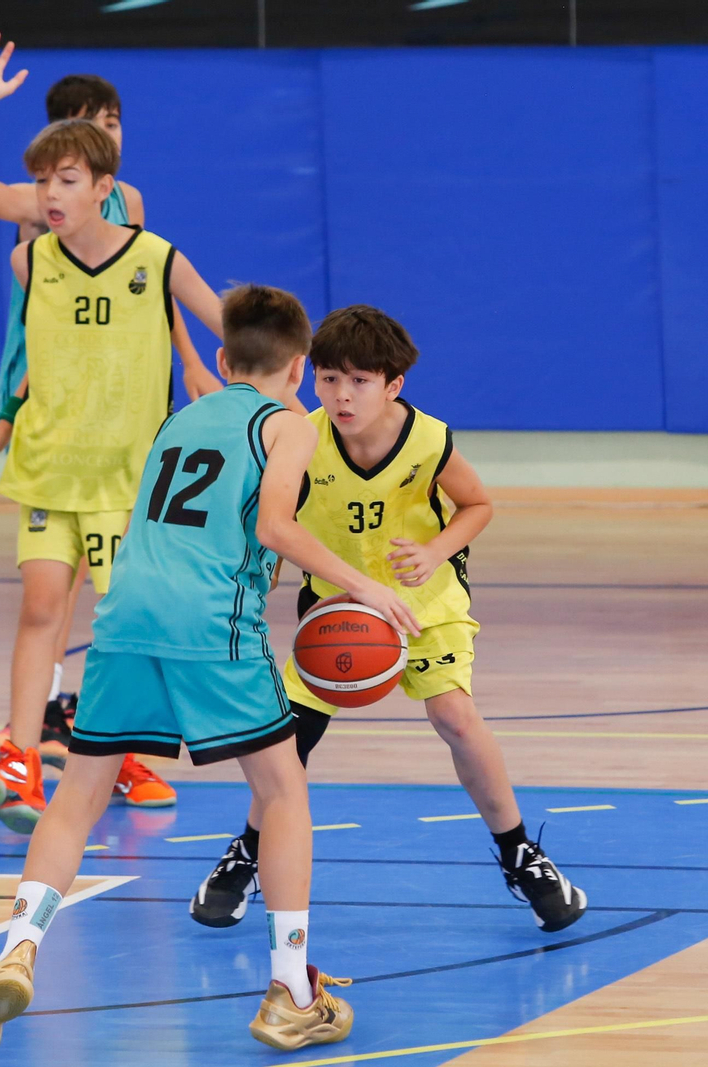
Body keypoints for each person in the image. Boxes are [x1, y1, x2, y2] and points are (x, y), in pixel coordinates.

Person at [0, 285, 421, 1059]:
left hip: (124, 617)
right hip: (210, 620)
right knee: (282, 790)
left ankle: (16, 951)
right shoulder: (288, 425)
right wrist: (365, 586)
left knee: (78, 796)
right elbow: (274, 527)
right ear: (300, 368)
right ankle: (292, 991)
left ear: (223, 360)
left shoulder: (180, 418)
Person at [187, 305, 589, 933]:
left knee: (454, 717)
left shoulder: (428, 440)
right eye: (328, 380)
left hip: (424, 603)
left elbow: (478, 505)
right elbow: (277, 525)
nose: (342, 396)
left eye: (359, 381)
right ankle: (248, 854)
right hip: (337, 608)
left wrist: (435, 551)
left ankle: (521, 853)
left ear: (392, 385)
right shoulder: (300, 439)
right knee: (290, 742)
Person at [0, 32, 215, 807]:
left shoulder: (140, 225)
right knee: (45, 603)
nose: (109, 132)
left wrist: (195, 362)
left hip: (119, 439)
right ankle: (25, 750)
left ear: (101, 180)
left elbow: (158, 294)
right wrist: (9, 416)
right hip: (51, 413)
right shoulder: (32, 243)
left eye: (113, 121)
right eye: (92, 122)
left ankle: (112, 746)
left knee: (119, 618)